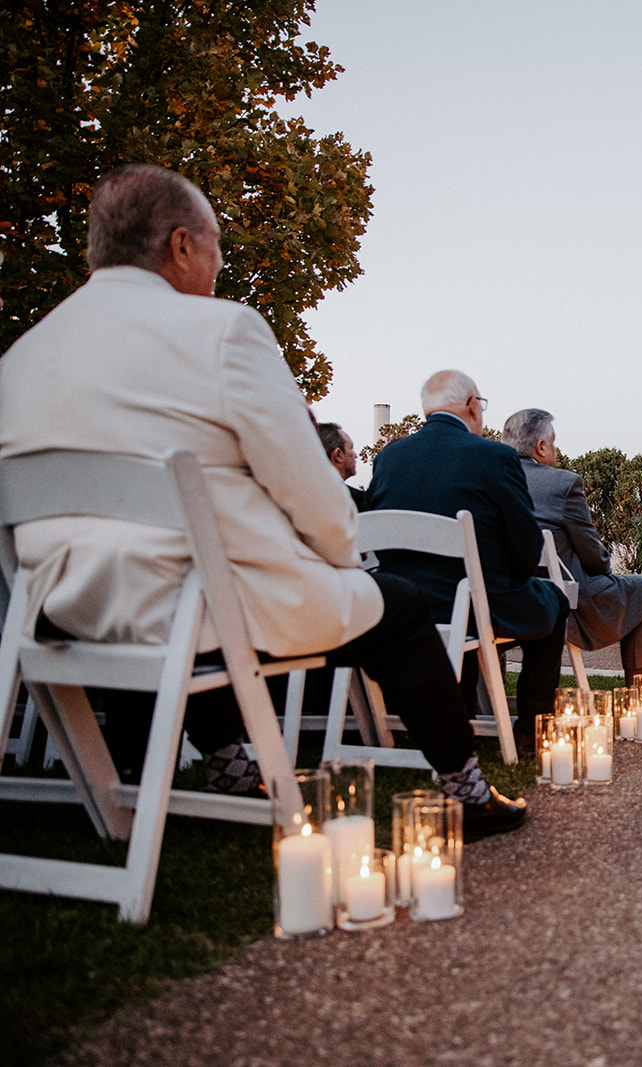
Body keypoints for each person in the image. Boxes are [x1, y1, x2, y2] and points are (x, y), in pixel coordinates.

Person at [0, 164, 524, 837]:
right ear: (181, 244)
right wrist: (342, 560)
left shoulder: (22, 356)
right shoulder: (222, 331)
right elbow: (310, 487)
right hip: (195, 608)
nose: (219, 265)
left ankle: (229, 767)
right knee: (395, 606)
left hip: (60, 610)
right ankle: (467, 789)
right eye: (216, 245)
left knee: (200, 596)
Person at [365, 372, 569, 754]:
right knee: (554, 602)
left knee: (469, 600)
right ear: (473, 406)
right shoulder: (494, 456)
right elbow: (527, 549)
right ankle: (532, 729)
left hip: (403, 605)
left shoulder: (389, 457)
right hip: (476, 605)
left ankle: (462, 711)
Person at [502, 407, 642, 683]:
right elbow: (593, 557)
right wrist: (605, 568)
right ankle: (636, 693)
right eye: (553, 442)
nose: (555, 449)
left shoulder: (491, 481)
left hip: (504, 599)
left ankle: (489, 699)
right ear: (541, 446)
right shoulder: (563, 483)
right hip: (564, 602)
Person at [317, 421, 366, 510]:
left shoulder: (299, 497)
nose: (355, 455)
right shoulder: (358, 504)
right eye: (351, 448)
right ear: (338, 455)